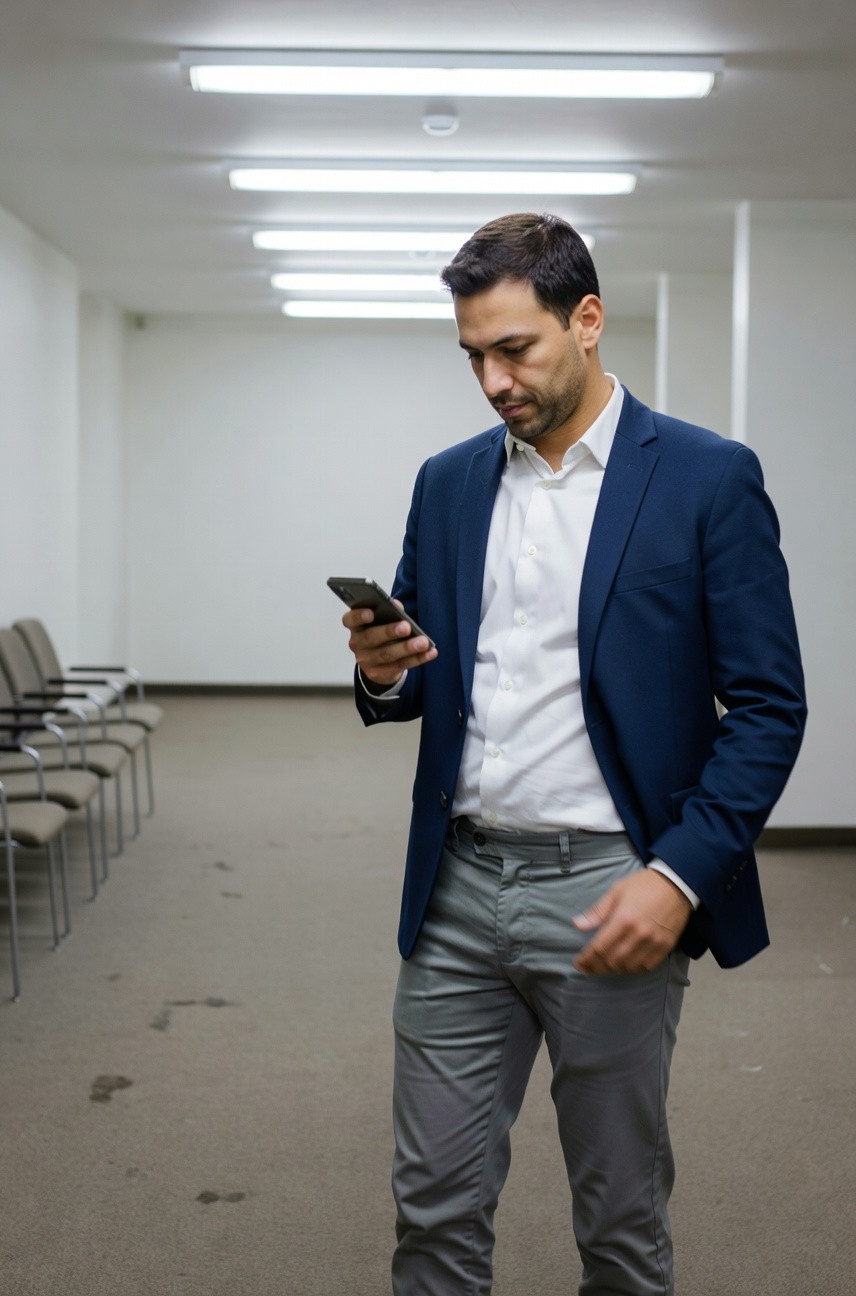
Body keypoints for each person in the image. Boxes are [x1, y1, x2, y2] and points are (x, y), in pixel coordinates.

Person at [340, 212, 806, 1295]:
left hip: (611, 888)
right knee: (434, 1212)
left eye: (516, 349)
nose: (493, 379)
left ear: (585, 320)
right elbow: (422, 679)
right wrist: (383, 668)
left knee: (620, 1221)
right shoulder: (448, 481)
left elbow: (770, 706)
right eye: (473, 356)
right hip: (457, 886)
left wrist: (680, 874)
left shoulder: (705, 477)